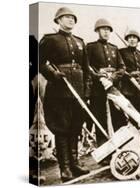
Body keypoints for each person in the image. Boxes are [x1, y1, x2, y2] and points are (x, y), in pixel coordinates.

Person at [39, 7, 90, 182]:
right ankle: (65, 168)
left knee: (76, 126)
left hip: (78, 91)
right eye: (66, 17)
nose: (70, 20)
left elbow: (86, 68)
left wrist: (86, 90)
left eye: (72, 18)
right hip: (59, 92)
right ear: (58, 20)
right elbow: (38, 61)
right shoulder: (50, 40)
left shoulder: (80, 41)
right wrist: (52, 74)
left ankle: (75, 163)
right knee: (62, 128)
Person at [87, 18, 127, 147]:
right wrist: (98, 75)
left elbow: (122, 67)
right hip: (98, 89)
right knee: (100, 117)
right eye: (103, 29)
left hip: (114, 87)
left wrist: (114, 76)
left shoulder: (114, 48)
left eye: (108, 30)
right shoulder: (91, 47)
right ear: (97, 31)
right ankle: (105, 148)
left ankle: (122, 144)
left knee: (118, 116)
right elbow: (87, 66)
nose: (106, 32)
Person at [119, 30, 140, 115]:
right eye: (130, 38)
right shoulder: (121, 52)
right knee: (128, 114)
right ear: (127, 40)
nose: (132, 39)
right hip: (127, 90)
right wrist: (130, 74)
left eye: (134, 37)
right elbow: (120, 68)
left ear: (138, 40)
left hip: (139, 90)